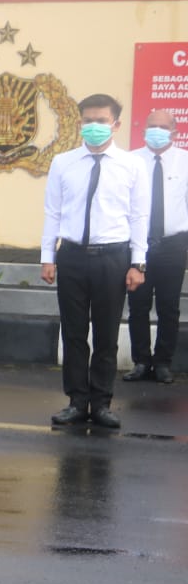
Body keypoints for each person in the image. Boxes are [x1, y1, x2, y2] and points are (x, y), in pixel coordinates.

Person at [41, 94, 150, 429]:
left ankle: (101, 403)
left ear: (116, 125)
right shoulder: (63, 163)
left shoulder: (133, 165)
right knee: (74, 333)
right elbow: (53, 212)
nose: (94, 127)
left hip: (113, 258)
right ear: (79, 123)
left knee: (105, 334)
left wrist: (138, 262)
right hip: (72, 256)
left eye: (102, 121)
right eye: (88, 120)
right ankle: (76, 401)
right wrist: (48, 256)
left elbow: (139, 216)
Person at [124, 110, 188, 384]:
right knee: (137, 305)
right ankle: (141, 361)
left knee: (169, 306)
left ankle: (162, 362)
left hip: (174, 245)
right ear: (143, 129)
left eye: (164, 127)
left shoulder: (185, 160)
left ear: (174, 131)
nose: (158, 131)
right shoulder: (129, 161)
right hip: (138, 244)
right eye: (153, 126)